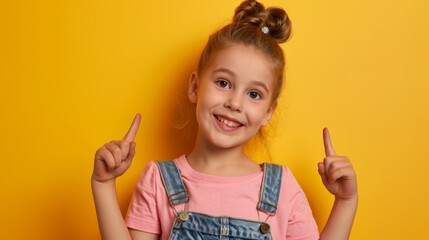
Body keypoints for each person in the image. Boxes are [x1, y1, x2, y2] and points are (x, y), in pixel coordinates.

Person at [91, 0, 358, 239]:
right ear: (195, 87)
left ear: (268, 112)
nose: (235, 103)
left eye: (254, 94)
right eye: (223, 82)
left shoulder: (282, 188)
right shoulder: (159, 181)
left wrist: (346, 201)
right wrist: (103, 185)